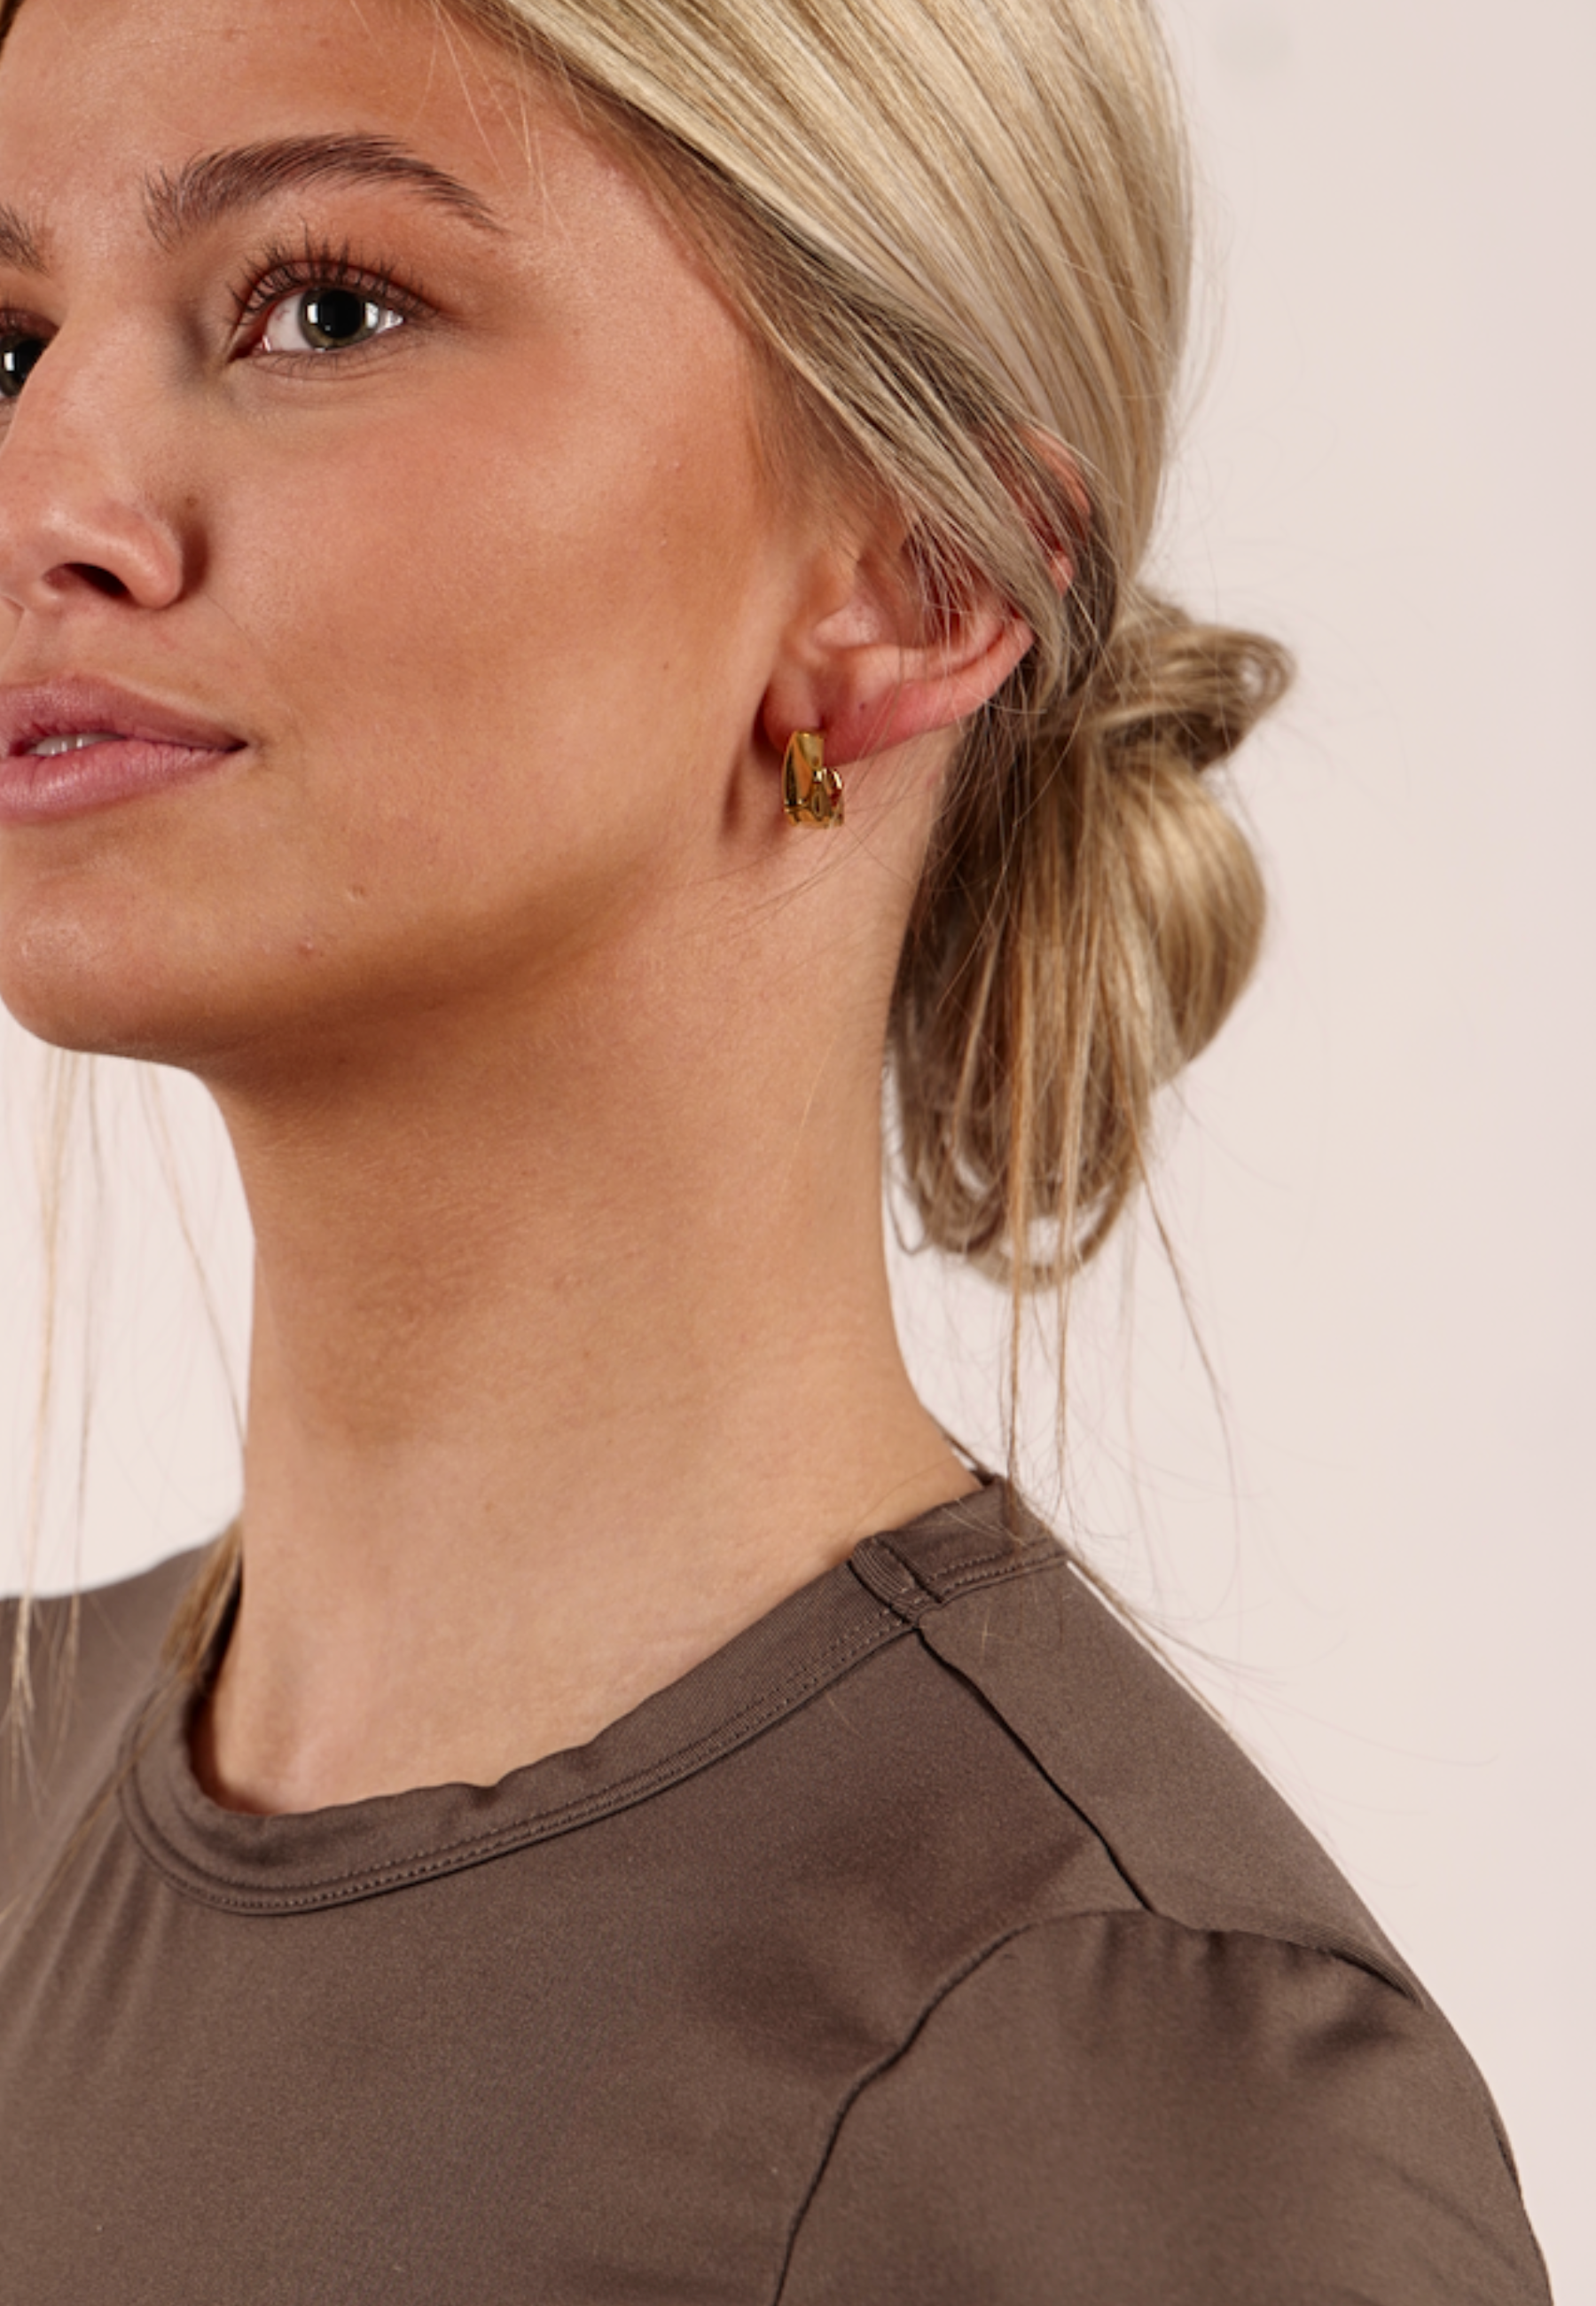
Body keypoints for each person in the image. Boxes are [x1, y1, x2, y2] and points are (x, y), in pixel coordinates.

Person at [0, 0, 1553, 2295]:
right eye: (9, 345)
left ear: (909, 586)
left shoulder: (1136, 2119)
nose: (47, 501)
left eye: (325, 308)